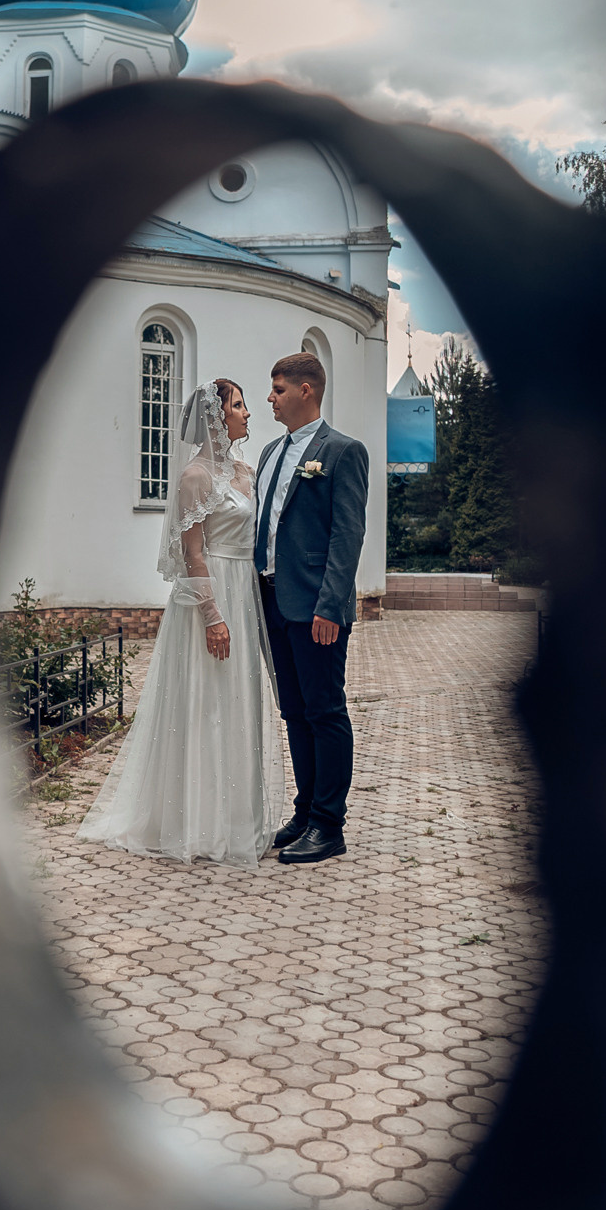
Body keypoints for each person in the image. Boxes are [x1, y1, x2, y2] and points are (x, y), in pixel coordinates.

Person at [77, 379, 276, 865]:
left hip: (245, 590)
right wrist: (213, 616)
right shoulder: (195, 478)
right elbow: (192, 554)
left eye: (245, 405)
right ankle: (198, 822)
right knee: (207, 701)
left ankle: (239, 818)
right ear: (217, 416)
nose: (247, 414)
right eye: (239, 406)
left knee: (240, 701)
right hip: (214, 595)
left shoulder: (246, 472)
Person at [254, 351, 370, 864]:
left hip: (315, 607)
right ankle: (304, 813)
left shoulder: (343, 452)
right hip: (272, 603)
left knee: (325, 710)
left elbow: (348, 536)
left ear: (307, 390)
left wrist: (330, 606)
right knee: (294, 711)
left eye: (278, 389)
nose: (270, 399)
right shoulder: (268, 454)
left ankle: (329, 824)